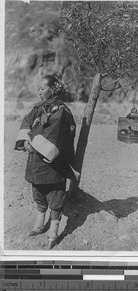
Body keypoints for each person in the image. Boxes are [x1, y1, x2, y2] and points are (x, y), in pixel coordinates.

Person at [14, 75, 79, 249]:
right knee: (38, 189)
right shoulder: (38, 107)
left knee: (55, 193)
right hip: (35, 159)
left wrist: (33, 145)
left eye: (43, 88)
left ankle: (54, 231)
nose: (39, 91)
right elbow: (27, 121)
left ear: (54, 89)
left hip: (53, 160)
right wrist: (26, 141)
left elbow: (54, 134)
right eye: (39, 88)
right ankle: (40, 222)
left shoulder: (61, 111)